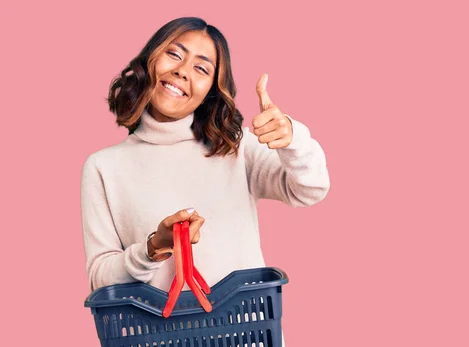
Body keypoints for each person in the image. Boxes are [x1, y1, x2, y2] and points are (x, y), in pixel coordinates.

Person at [80, 16, 329, 345]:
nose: (183, 70)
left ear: (211, 90)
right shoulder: (103, 167)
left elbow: (310, 189)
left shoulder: (235, 148)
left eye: (202, 68)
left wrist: (293, 140)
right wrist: (154, 248)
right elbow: (101, 281)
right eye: (174, 54)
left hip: (250, 337)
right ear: (149, 60)